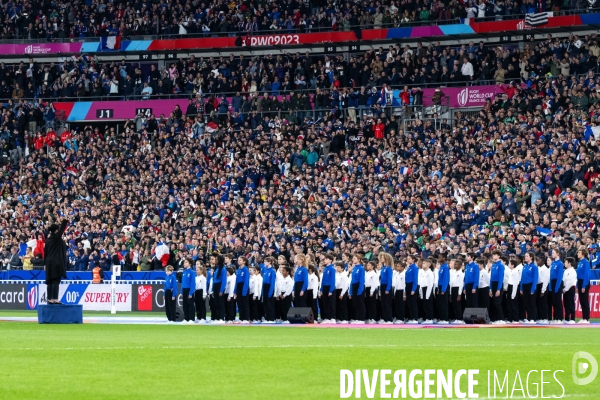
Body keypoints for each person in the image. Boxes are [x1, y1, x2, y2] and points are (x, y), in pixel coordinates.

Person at [44, 219, 69, 304]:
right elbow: (62, 229)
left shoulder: (48, 240)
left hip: (49, 262)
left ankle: (49, 299)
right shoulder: (56, 238)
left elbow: (45, 252)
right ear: (56, 231)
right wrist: (65, 221)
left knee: (50, 281)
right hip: (56, 262)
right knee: (56, 281)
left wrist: (45, 263)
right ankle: (55, 298)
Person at [520, 252, 538, 324]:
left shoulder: (534, 266)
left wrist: (533, 288)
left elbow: (535, 278)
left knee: (532, 302)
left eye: (527, 256)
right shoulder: (524, 266)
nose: (525, 257)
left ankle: (533, 318)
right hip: (524, 285)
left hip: (530, 285)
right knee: (526, 303)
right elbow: (522, 277)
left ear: (531, 257)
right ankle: (528, 317)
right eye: (525, 256)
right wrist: (521, 288)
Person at [348, 254, 366, 324]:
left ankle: (361, 319)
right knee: (355, 303)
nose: (353, 260)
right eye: (353, 258)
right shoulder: (354, 268)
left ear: (359, 259)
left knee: (360, 303)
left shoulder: (361, 268)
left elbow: (362, 280)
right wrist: (351, 290)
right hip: (354, 285)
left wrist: (360, 289)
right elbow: (352, 280)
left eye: (355, 258)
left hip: (359, 285)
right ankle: (357, 318)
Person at [489, 250, 505, 324]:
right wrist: (490, 288)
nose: (493, 256)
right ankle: (495, 319)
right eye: (493, 255)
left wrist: (499, 289)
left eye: (495, 255)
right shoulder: (493, 265)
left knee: (497, 303)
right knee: (493, 303)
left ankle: (501, 318)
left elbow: (501, 277)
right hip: (493, 284)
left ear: (499, 256)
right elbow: (491, 277)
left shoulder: (501, 265)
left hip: (498, 284)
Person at [549, 249, 565, 324]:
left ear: (558, 254)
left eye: (553, 253)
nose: (552, 254)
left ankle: (560, 318)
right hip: (552, 282)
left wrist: (557, 286)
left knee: (558, 301)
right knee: (554, 301)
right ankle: (555, 317)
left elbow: (560, 276)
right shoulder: (553, 263)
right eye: (552, 253)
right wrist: (550, 286)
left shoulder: (560, 264)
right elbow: (550, 275)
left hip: (557, 282)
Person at [319, 254, 336, 324]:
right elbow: (323, 279)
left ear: (330, 260)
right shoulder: (325, 268)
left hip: (330, 287)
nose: (325, 260)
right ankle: (327, 317)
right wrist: (321, 289)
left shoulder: (332, 269)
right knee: (325, 303)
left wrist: (331, 290)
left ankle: (333, 318)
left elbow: (333, 280)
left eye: (326, 259)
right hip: (324, 287)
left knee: (331, 303)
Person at [211, 253, 227, 324]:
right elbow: (214, 280)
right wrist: (213, 290)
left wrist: (221, 290)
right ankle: (217, 318)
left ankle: (221, 317)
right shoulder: (216, 269)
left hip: (220, 286)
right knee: (216, 303)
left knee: (221, 303)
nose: (216, 261)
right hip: (215, 286)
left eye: (217, 259)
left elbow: (224, 280)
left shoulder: (223, 269)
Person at [576, 248, 591, 324]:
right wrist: (577, 285)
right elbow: (578, 275)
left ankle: (587, 318)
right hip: (580, 281)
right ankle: (583, 317)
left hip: (584, 282)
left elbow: (587, 275)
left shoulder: (586, 262)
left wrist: (584, 286)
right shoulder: (579, 262)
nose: (577, 254)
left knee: (584, 301)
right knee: (581, 301)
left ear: (583, 254)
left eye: (579, 253)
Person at [378, 252, 394, 323]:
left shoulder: (389, 268)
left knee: (387, 303)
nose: (381, 259)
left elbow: (389, 279)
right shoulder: (383, 268)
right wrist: (380, 289)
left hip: (387, 286)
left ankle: (389, 319)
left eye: (383, 257)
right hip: (382, 286)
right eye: (381, 257)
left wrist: (388, 288)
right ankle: (384, 318)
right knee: (383, 303)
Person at [234, 256, 250, 323]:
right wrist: (235, 291)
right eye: (238, 260)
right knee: (239, 303)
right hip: (238, 287)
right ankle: (241, 317)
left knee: (245, 304)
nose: (239, 261)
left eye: (240, 260)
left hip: (243, 286)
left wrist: (244, 290)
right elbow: (236, 281)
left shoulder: (246, 270)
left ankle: (246, 318)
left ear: (244, 262)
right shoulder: (238, 270)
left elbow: (246, 281)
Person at [404, 254, 419, 324]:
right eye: (407, 259)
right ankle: (411, 317)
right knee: (409, 303)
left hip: (412, 285)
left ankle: (415, 318)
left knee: (413, 303)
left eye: (409, 259)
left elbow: (415, 279)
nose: (408, 260)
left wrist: (413, 289)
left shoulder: (414, 268)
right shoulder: (409, 268)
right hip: (408, 285)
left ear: (413, 260)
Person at [180, 258, 196, 323]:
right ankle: (186, 318)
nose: (184, 263)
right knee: (185, 305)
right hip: (184, 289)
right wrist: (181, 292)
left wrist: (191, 293)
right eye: (184, 262)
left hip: (189, 289)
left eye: (186, 262)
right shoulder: (184, 272)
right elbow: (182, 282)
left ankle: (191, 318)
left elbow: (193, 283)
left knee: (191, 305)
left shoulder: (192, 272)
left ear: (190, 264)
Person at [449, 259, 464, 324]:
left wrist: (459, 294)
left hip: (458, 289)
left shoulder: (461, 273)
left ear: (460, 266)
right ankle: (456, 318)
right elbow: (451, 282)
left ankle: (460, 318)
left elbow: (461, 284)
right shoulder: (453, 272)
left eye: (456, 264)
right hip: (453, 288)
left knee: (458, 305)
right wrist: (450, 293)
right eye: (454, 264)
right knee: (454, 305)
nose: (454, 265)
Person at [536, 256, 550, 324]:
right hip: (538, 285)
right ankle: (540, 317)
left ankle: (545, 318)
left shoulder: (545, 269)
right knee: (538, 303)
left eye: (539, 260)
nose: (538, 262)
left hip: (543, 286)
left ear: (543, 261)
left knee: (543, 303)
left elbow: (546, 280)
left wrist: (543, 290)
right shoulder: (538, 268)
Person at [563, 257, 577, 324]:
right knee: (566, 304)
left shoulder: (573, 271)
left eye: (566, 262)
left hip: (571, 288)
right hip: (565, 289)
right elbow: (564, 280)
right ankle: (567, 318)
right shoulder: (565, 271)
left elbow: (570, 281)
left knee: (571, 303)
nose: (564, 263)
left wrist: (566, 289)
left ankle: (572, 318)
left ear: (569, 263)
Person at [262, 257, 276, 323]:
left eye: (266, 261)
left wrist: (270, 291)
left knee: (270, 303)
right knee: (265, 303)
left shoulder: (272, 271)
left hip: (269, 287)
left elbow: (272, 282)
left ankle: (271, 318)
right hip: (265, 287)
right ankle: (267, 317)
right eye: (264, 261)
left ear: (270, 262)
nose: (265, 263)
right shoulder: (265, 270)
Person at [436, 257, 450, 325]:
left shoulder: (445, 267)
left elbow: (446, 279)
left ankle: (445, 319)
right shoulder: (441, 267)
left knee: (444, 303)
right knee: (441, 303)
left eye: (441, 257)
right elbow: (439, 279)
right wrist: (439, 288)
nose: (439, 258)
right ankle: (442, 318)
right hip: (440, 286)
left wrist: (443, 289)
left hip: (444, 286)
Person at [420, 259, 434, 324]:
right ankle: (426, 318)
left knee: (429, 305)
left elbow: (430, 284)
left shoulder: (430, 273)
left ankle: (430, 318)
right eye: (423, 263)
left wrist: (428, 294)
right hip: (423, 288)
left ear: (428, 265)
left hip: (428, 289)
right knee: (424, 305)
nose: (423, 264)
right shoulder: (422, 272)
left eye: (424, 263)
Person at [506, 259, 520, 323]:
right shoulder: (510, 271)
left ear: (513, 265)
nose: (508, 265)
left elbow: (515, 283)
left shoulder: (515, 272)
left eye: (509, 264)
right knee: (509, 304)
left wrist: (513, 294)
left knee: (514, 304)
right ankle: (510, 318)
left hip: (513, 288)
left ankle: (516, 318)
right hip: (509, 286)